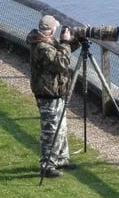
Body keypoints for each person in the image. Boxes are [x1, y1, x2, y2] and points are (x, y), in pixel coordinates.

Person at [26, 15, 79, 178]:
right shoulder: (41, 46)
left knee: (61, 128)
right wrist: (65, 42)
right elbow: (61, 62)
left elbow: (64, 52)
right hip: (47, 93)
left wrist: (74, 41)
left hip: (55, 92)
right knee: (50, 131)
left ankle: (61, 158)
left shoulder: (47, 40)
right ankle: (46, 165)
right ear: (52, 29)